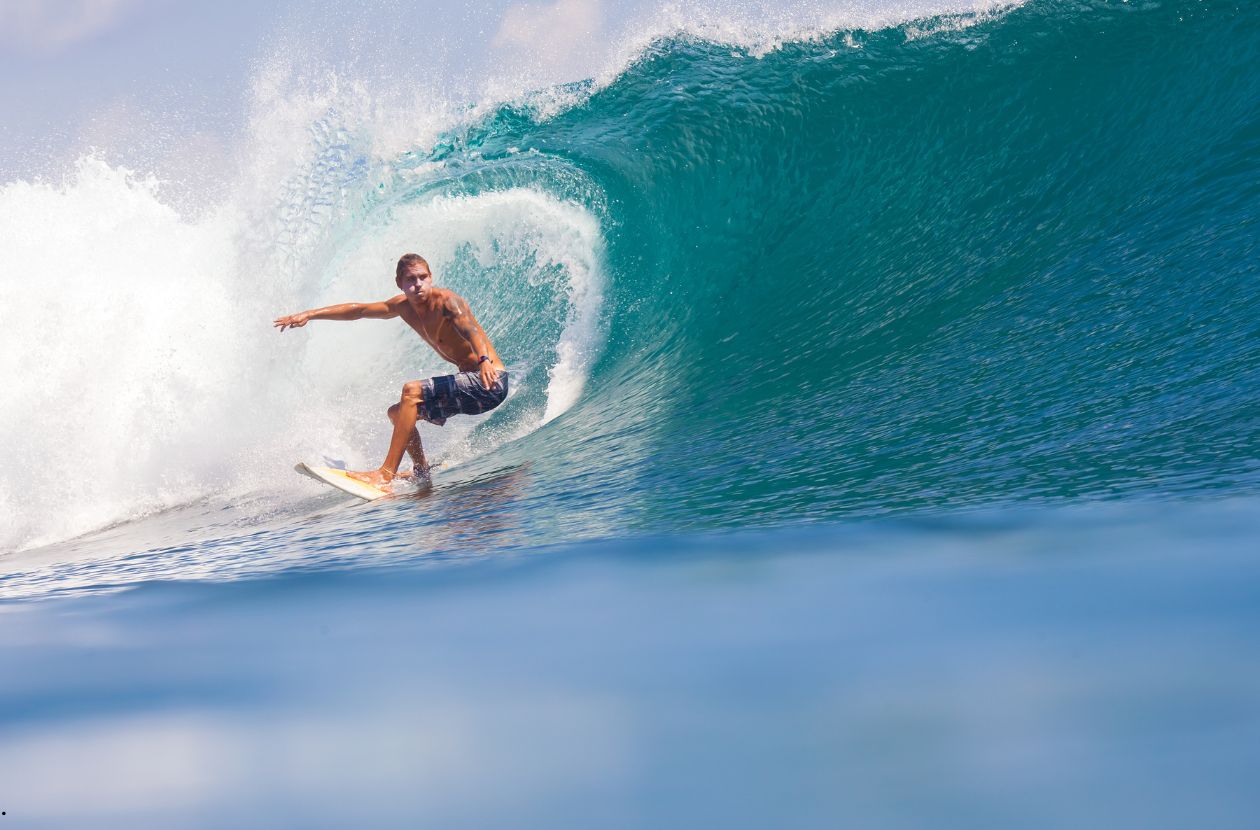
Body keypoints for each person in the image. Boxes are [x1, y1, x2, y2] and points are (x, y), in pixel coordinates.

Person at [274, 253, 507, 489]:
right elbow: (359, 310)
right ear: (400, 283)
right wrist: (310, 314)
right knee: (398, 413)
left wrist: (484, 360)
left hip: (489, 381)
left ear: (431, 277)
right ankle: (421, 470)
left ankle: (384, 474)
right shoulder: (402, 307)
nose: (418, 284)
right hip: (470, 388)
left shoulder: (448, 302)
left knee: (411, 391)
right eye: (410, 279)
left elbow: (471, 331)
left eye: (423, 277)